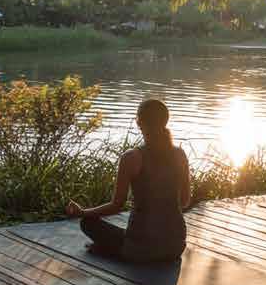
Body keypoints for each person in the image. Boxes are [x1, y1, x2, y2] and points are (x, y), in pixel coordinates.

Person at [65, 99, 191, 262]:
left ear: (139, 122)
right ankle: (110, 248)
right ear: (165, 121)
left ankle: (108, 250)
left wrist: (82, 212)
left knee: (88, 223)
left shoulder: (131, 158)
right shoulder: (180, 155)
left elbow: (116, 205)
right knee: (134, 235)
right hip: (175, 246)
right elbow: (185, 201)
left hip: (140, 248)